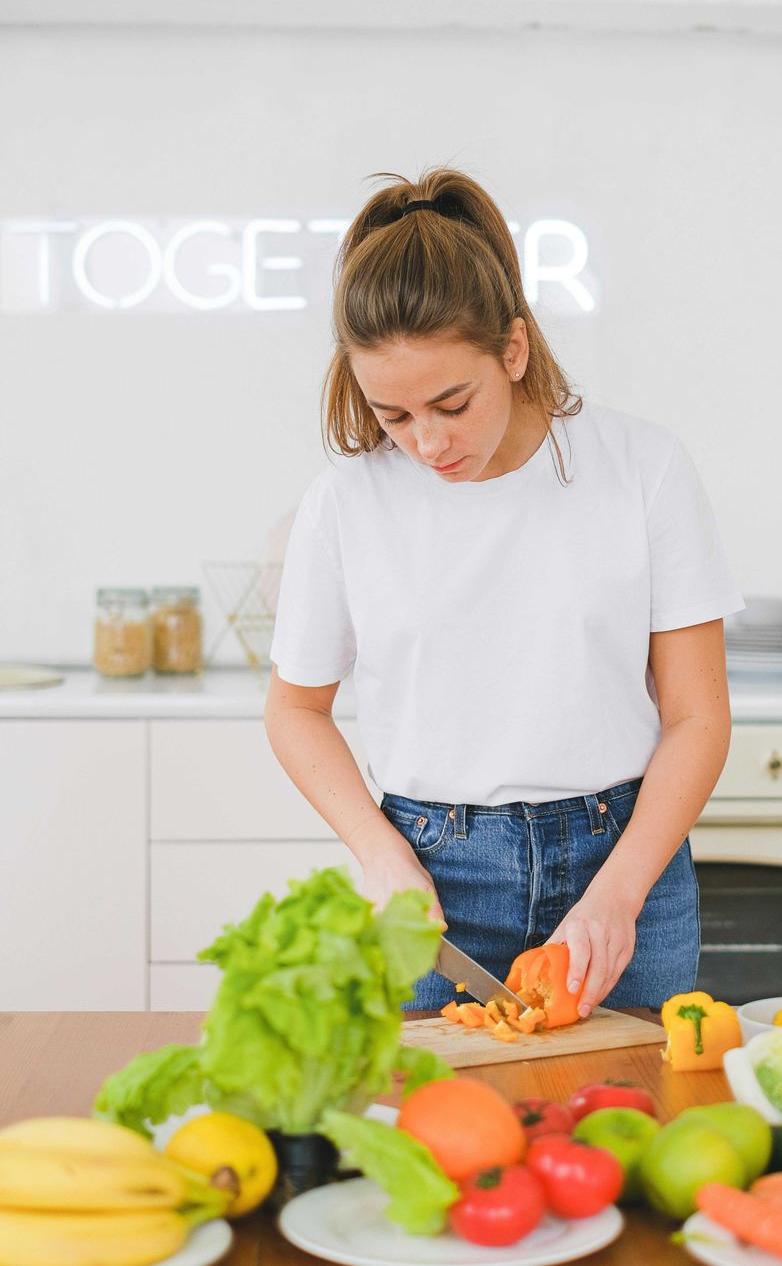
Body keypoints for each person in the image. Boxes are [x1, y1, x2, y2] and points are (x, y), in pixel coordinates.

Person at [265, 167, 744, 1017]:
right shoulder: (346, 500)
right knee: (433, 1138)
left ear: (513, 350)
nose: (428, 442)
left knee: (640, 1129)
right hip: (431, 879)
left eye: (453, 402)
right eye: (394, 415)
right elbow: (296, 709)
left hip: (625, 860)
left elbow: (698, 715)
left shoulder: (643, 467)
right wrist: (381, 857)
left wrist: (621, 891)